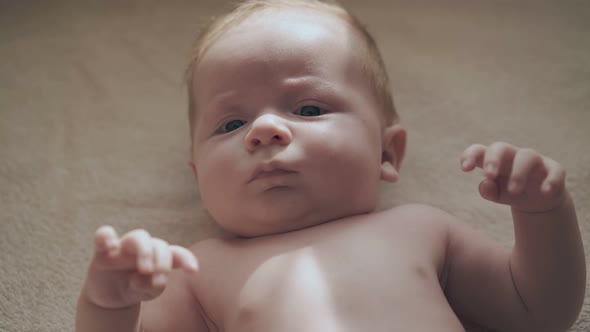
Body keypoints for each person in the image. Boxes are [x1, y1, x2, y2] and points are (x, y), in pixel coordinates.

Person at [75, 1, 586, 331]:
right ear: (198, 176)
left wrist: (543, 214)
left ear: (387, 154)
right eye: (230, 124)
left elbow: (536, 312)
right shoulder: (197, 268)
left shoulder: (420, 227)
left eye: (309, 109)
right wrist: (110, 305)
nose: (264, 130)